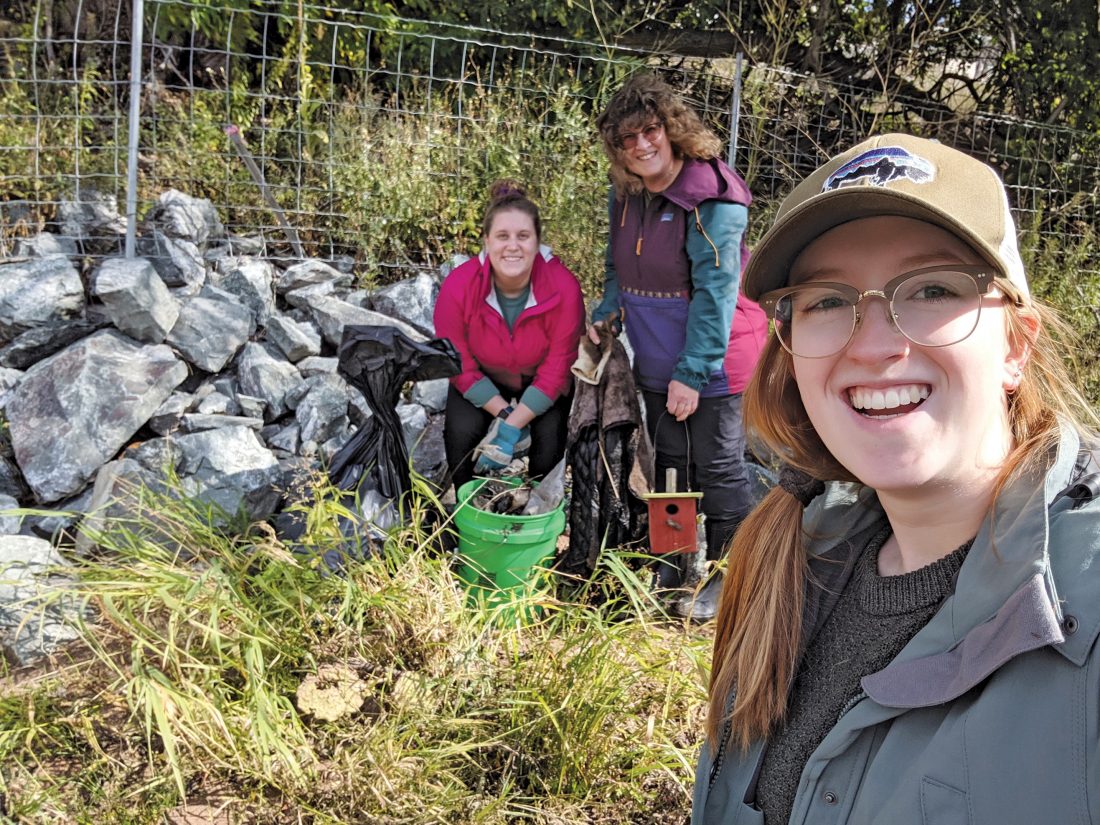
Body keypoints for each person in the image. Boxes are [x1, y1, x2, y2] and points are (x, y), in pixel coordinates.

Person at [693, 133, 1100, 825]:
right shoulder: (789, 561)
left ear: (1015, 344)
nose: (875, 345)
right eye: (827, 300)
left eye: (932, 288)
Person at [590, 73, 768, 616]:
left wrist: (692, 373)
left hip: (716, 355)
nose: (641, 145)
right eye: (627, 138)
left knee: (718, 467)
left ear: (671, 129)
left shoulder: (711, 196)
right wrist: (607, 310)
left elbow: (717, 291)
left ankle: (730, 579)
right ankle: (672, 571)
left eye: (650, 131)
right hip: (655, 352)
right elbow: (617, 265)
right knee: (668, 465)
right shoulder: (627, 195)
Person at [434, 180, 584, 492]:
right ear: (487, 240)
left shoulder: (564, 286)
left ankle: (537, 510)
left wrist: (511, 428)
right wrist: (504, 413)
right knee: (460, 435)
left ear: (537, 241)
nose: (512, 246)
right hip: (483, 375)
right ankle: (464, 506)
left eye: (523, 236)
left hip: (541, 379)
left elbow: (558, 368)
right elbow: (456, 360)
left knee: (550, 445)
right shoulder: (458, 286)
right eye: (502, 236)